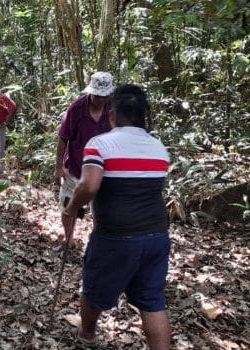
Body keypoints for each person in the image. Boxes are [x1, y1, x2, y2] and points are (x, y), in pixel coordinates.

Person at [61, 84, 171, 349]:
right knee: (153, 301)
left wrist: (71, 207)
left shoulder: (100, 144)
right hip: (157, 236)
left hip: (116, 237)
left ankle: (86, 335)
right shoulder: (158, 148)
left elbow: (89, 185)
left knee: (94, 289)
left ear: (113, 113)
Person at [55, 71, 113, 243]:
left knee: (101, 211)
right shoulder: (76, 109)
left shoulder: (113, 109)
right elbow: (63, 140)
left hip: (104, 171)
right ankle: (69, 238)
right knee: (69, 205)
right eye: (97, 96)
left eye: (104, 96)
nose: (100, 100)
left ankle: (98, 241)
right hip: (75, 168)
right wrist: (58, 168)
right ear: (90, 92)